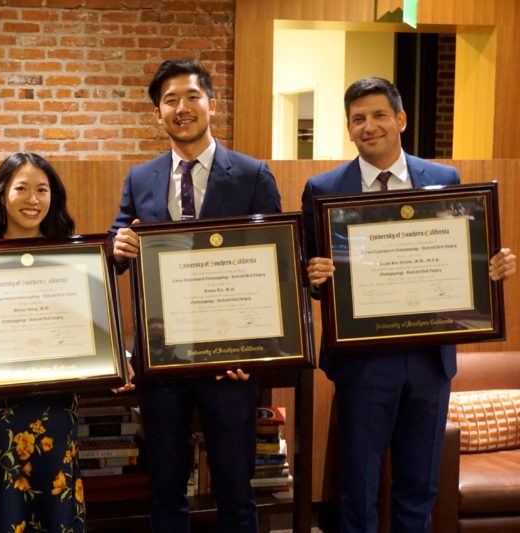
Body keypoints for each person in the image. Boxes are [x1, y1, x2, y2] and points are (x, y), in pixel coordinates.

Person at [301, 76, 517, 533]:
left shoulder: (444, 179)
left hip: (429, 359)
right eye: (358, 119)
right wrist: (314, 276)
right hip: (362, 362)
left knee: (419, 484)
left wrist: (493, 267)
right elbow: (309, 270)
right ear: (349, 128)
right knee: (356, 486)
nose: (369, 126)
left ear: (400, 119)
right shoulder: (322, 188)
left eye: (379, 115)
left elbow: (463, 256)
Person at [109, 58, 282, 532]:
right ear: (157, 114)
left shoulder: (251, 175)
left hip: (230, 357)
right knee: (165, 486)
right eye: (169, 101)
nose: (181, 108)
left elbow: (275, 265)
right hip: (162, 356)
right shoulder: (140, 178)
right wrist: (117, 246)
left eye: (191, 97)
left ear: (211, 103)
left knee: (234, 484)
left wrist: (261, 351)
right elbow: (119, 244)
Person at [0, 152, 85, 533]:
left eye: (42, 190)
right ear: (2, 194)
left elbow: (84, 326)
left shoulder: (70, 256)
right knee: (5, 503)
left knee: (58, 506)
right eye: (22, 188)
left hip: (55, 404)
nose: (32, 199)